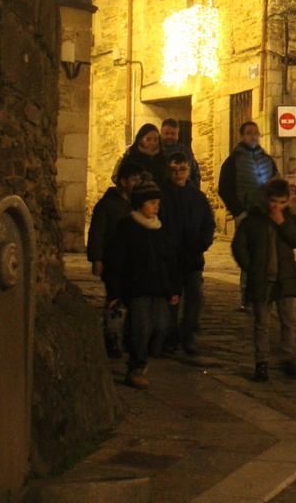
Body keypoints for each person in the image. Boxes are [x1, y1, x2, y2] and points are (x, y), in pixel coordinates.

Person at [104, 180, 180, 390]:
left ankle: (141, 356)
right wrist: (114, 291)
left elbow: (170, 260)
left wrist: (174, 288)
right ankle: (136, 366)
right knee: (141, 327)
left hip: (159, 288)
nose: (156, 207)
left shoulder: (160, 229)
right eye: (152, 202)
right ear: (140, 203)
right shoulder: (127, 227)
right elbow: (116, 261)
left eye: (158, 203)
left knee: (161, 326)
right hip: (137, 288)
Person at [232, 178, 296, 382]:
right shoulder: (253, 219)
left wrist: (282, 222)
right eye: (274, 201)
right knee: (262, 322)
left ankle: (288, 357)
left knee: (288, 320)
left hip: (285, 277)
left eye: (282, 202)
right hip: (262, 278)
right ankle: (262, 362)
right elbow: (239, 246)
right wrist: (251, 266)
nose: (277, 206)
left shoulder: (289, 219)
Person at [87, 159, 145, 358]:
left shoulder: (138, 204)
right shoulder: (107, 205)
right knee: (114, 299)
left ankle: (128, 337)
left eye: (139, 180)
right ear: (123, 181)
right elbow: (97, 232)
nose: (137, 184)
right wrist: (97, 259)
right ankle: (111, 337)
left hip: (133, 261)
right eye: (133, 180)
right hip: (113, 261)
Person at [159, 152, 215, 356]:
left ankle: (188, 335)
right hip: (170, 258)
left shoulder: (197, 197)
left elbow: (208, 224)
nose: (177, 174)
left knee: (194, 299)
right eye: (173, 169)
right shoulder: (162, 195)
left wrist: (201, 244)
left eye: (181, 169)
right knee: (171, 300)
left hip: (192, 258)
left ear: (188, 170)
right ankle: (170, 337)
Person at [219, 121, 278, 309]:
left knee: (268, 253)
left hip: (266, 215)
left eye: (256, 133)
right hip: (246, 215)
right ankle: (247, 295)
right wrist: (238, 211)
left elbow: (276, 182)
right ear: (242, 136)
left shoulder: (267, 160)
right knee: (249, 255)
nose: (253, 136)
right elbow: (225, 188)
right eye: (249, 133)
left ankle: (266, 293)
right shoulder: (233, 161)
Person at [117, 123, 170, 188]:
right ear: (141, 140)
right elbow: (121, 177)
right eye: (148, 139)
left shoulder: (162, 156)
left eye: (156, 139)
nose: (152, 143)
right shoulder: (132, 156)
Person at [159, 118, 200, 188]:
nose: (169, 136)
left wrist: (193, 190)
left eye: (173, 134)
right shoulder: (156, 150)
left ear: (177, 134)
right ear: (161, 132)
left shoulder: (185, 151)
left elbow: (194, 172)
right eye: (167, 133)